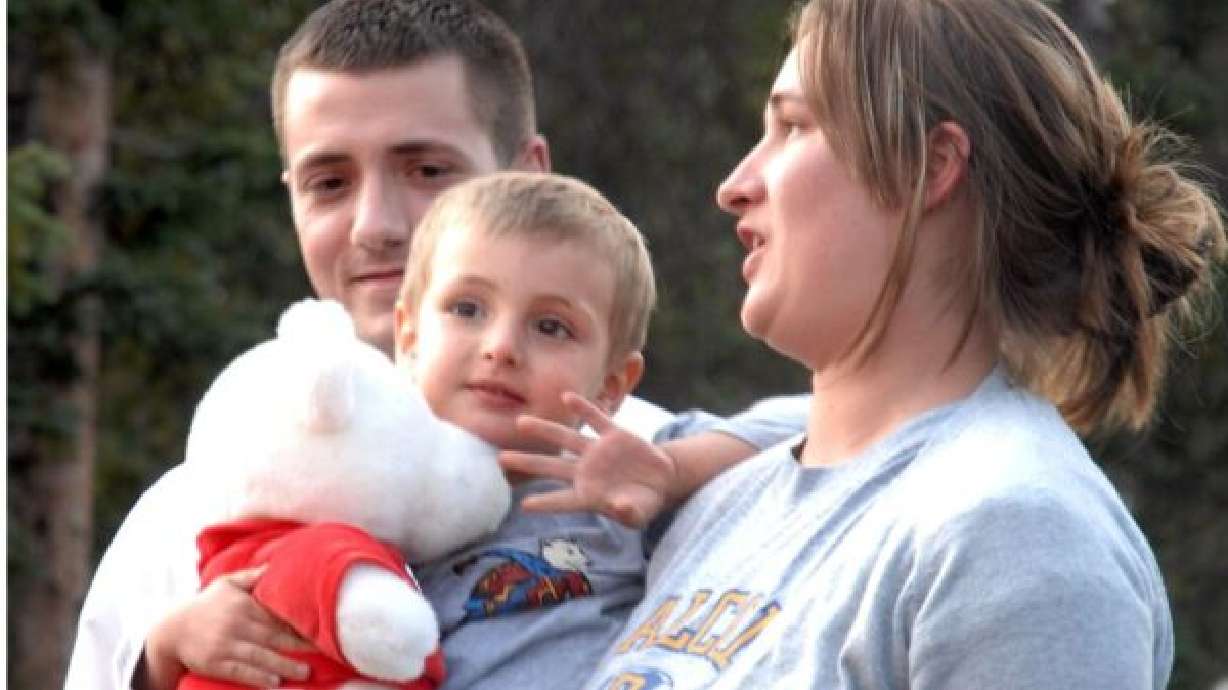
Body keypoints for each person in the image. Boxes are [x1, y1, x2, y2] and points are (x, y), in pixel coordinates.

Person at [63, 2, 806, 689]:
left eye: (426, 170)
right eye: (329, 182)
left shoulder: (641, 476)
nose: (375, 226)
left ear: (527, 177)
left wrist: (674, 474)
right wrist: (162, 656)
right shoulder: (195, 509)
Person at [501, 0, 1226, 687]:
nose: (735, 185)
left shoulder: (1017, 533)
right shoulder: (721, 507)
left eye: (793, 127)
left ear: (930, 166)